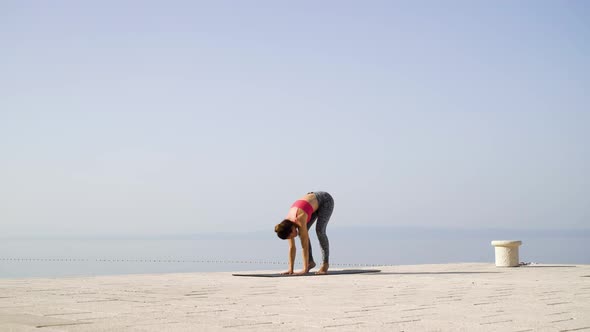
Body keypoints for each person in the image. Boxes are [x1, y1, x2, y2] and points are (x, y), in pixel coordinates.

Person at [274, 191, 334, 275]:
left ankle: (325, 264)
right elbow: (292, 248)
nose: (292, 237)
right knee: (301, 234)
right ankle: (310, 262)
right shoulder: (286, 225)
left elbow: (304, 246)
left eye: (291, 236)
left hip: (325, 200)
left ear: (292, 228)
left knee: (320, 230)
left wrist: (304, 270)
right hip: (310, 205)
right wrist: (290, 270)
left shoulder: (300, 219)